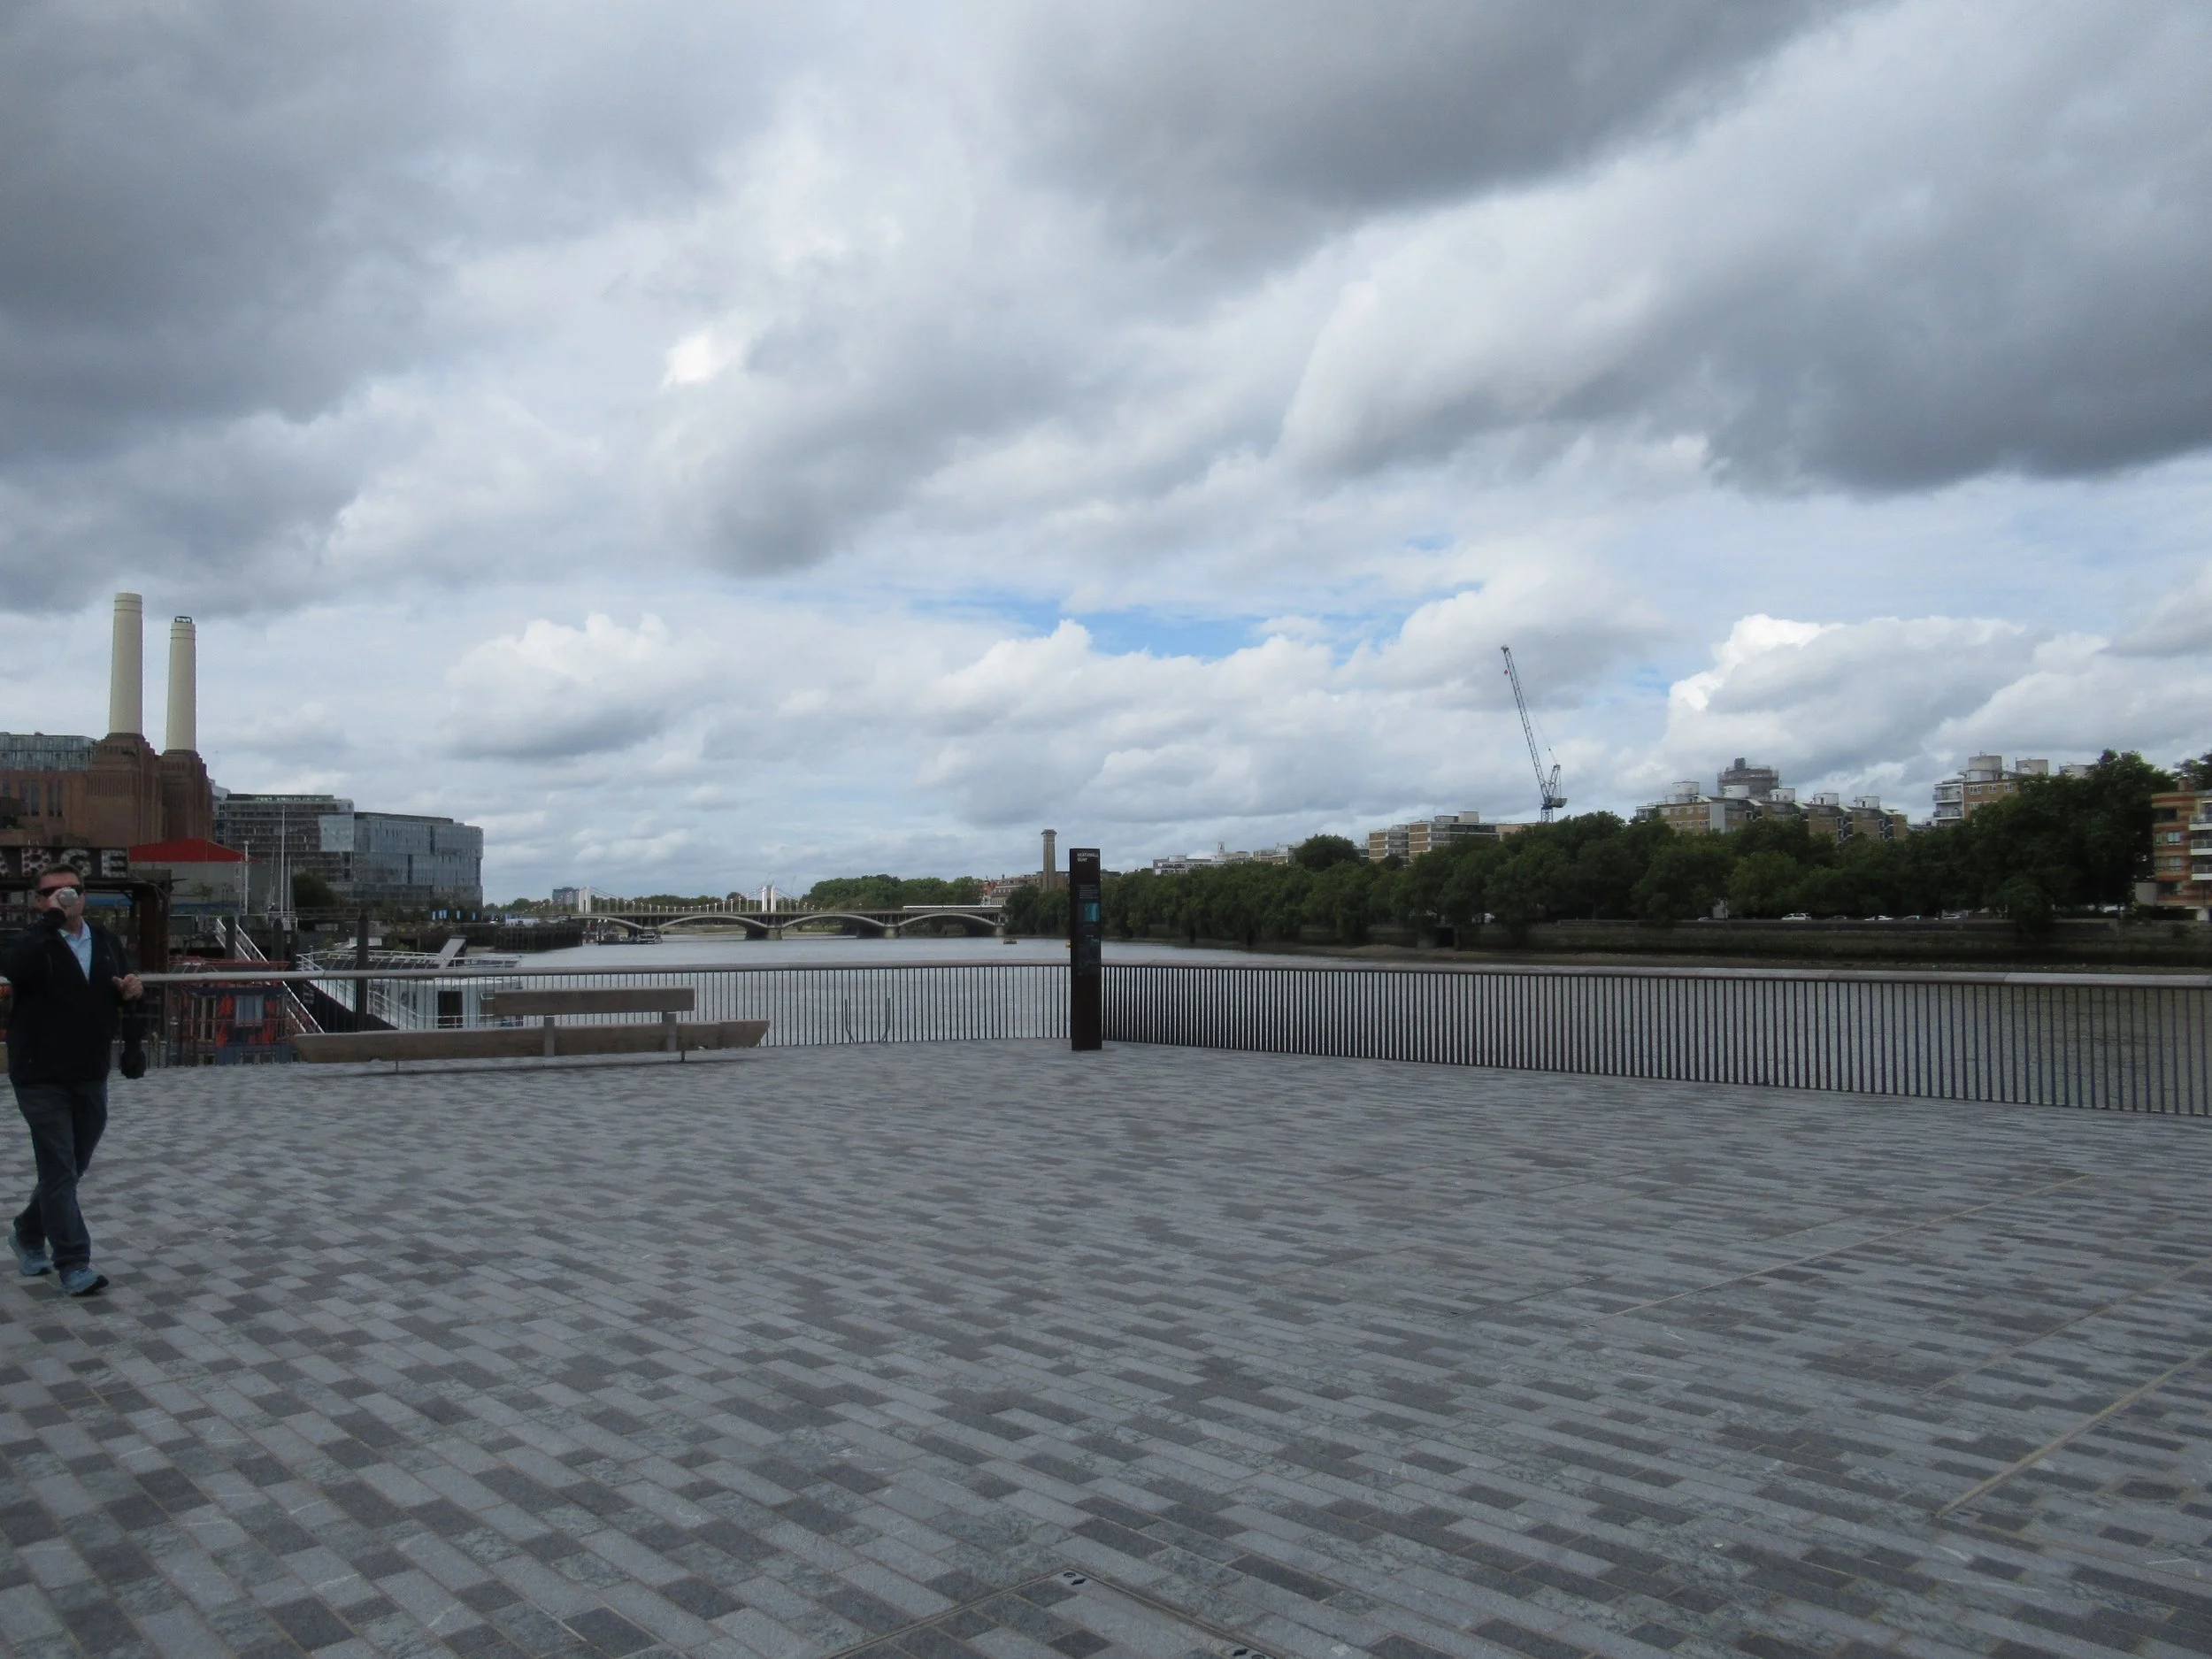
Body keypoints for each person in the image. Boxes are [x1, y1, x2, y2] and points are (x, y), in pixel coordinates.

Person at [3, 863, 142, 1295]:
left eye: (74, 890)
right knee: (59, 1167)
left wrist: (133, 1027)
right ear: (38, 901)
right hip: (39, 1074)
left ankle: (28, 1231)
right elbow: (13, 967)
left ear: (85, 895)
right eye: (54, 892)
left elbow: (123, 991)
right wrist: (50, 921)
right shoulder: (31, 941)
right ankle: (74, 1263)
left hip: (89, 1070)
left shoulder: (104, 941)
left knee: (72, 1166)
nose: (66, 897)